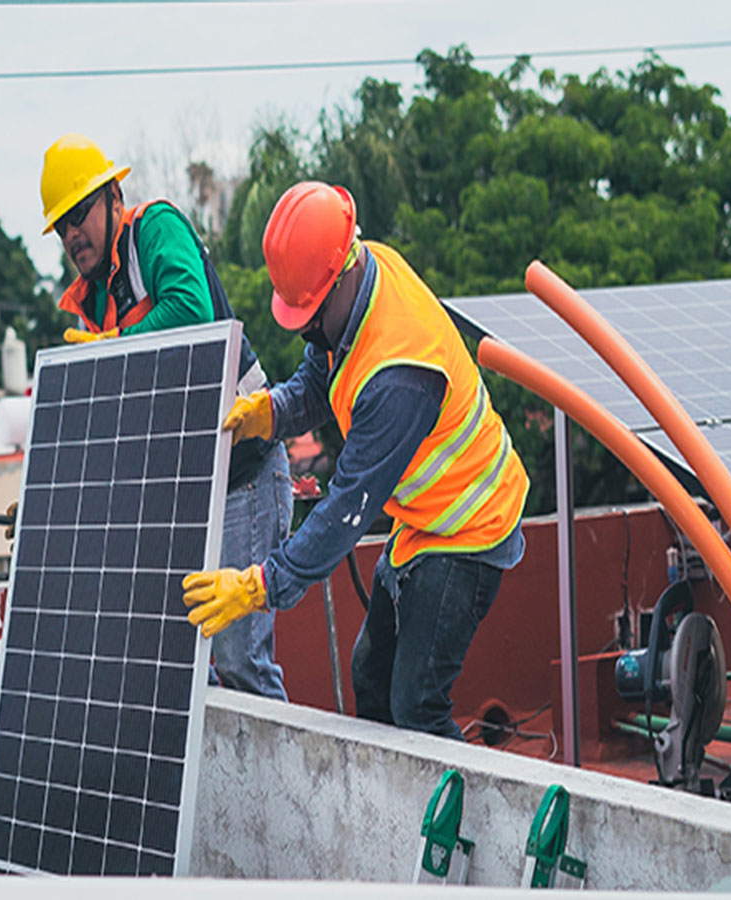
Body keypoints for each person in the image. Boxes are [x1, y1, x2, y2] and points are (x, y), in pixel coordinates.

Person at [183, 181, 529, 738]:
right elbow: (322, 377)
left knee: (417, 705)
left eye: (311, 314)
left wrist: (259, 585)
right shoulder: (358, 282)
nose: (308, 327)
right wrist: (270, 411)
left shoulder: (400, 378)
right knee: (370, 676)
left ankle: (465, 816)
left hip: (469, 531)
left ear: (341, 274)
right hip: (426, 520)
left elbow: (345, 510)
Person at [40, 133, 291, 701]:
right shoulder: (95, 296)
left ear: (112, 196)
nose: (72, 233)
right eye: (61, 226)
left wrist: (110, 346)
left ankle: (283, 791)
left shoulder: (153, 229)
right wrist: (50, 495)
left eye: (79, 213)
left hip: (244, 472)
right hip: (187, 491)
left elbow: (191, 309)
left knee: (237, 660)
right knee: (187, 665)